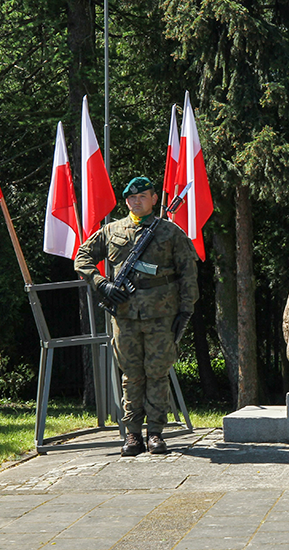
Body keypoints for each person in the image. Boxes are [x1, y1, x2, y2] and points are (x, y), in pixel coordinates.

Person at [75, 176, 199, 456]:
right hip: (125, 314)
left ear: (154, 199)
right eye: (131, 198)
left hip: (161, 314)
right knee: (131, 375)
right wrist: (101, 283)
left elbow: (188, 274)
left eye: (142, 196)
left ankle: (155, 433)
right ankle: (132, 435)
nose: (136, 201)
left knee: (157, 373)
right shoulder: (112, 231)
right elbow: (82, 258)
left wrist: (186, 309)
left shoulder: (170, 232)